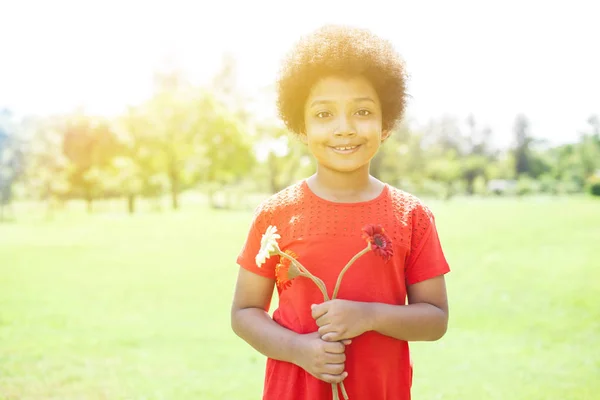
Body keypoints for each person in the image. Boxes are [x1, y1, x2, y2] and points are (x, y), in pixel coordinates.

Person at [231, 24, 450, 400]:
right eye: (324, 114)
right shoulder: (275, 215)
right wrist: (298, 350)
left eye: (362, 111)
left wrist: (370, 316)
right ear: (301, 126)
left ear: (386, 123)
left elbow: (435, 319)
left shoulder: (411, 215)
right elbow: (244, 312)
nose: (344, 128)